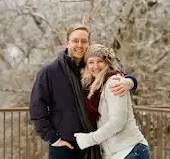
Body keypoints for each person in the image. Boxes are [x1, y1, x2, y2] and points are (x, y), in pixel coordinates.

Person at [29, 24, 138, 159]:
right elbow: (36, 108)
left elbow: (116, 75)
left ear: (89, 44)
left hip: (93, 144)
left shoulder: (94, 68)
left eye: (84, 41)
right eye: (75, 40)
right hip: (65, 146)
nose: (79, 45)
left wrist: (130, 81)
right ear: (67, 43)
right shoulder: (49, 72)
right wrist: (53, 139)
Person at [74, 44, 151, 159]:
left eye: (100, 61)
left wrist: (89, 139)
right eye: (91, 62)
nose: (95, 66)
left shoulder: (114, 82)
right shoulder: (94, 87)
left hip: (130, 151)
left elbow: (118, 122)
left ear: (107, 63)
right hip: (117, 153)